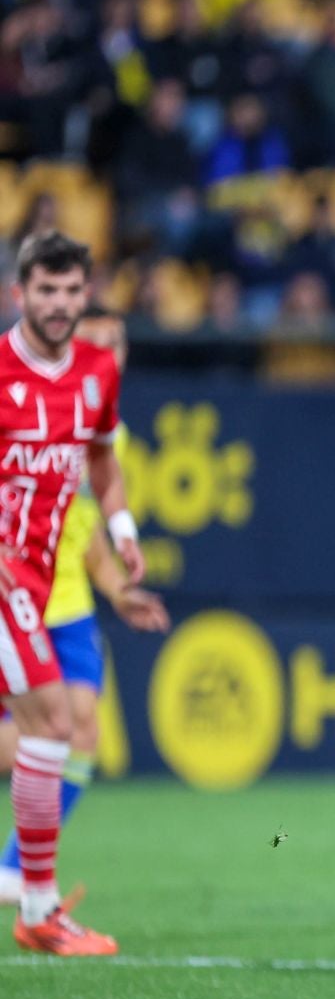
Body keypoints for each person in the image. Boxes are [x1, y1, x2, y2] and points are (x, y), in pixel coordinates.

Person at [0, 233, 145, 955]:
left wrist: (121, 531)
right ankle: (36, 906)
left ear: (84, 293)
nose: (58, 304)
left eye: (69, 291)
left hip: (37, 582)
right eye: (44, 290)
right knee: (55, 726)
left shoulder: (94, 374)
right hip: (5, 575)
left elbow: (100, 458)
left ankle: (33, 902)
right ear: (18, 293)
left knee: (56, 729)